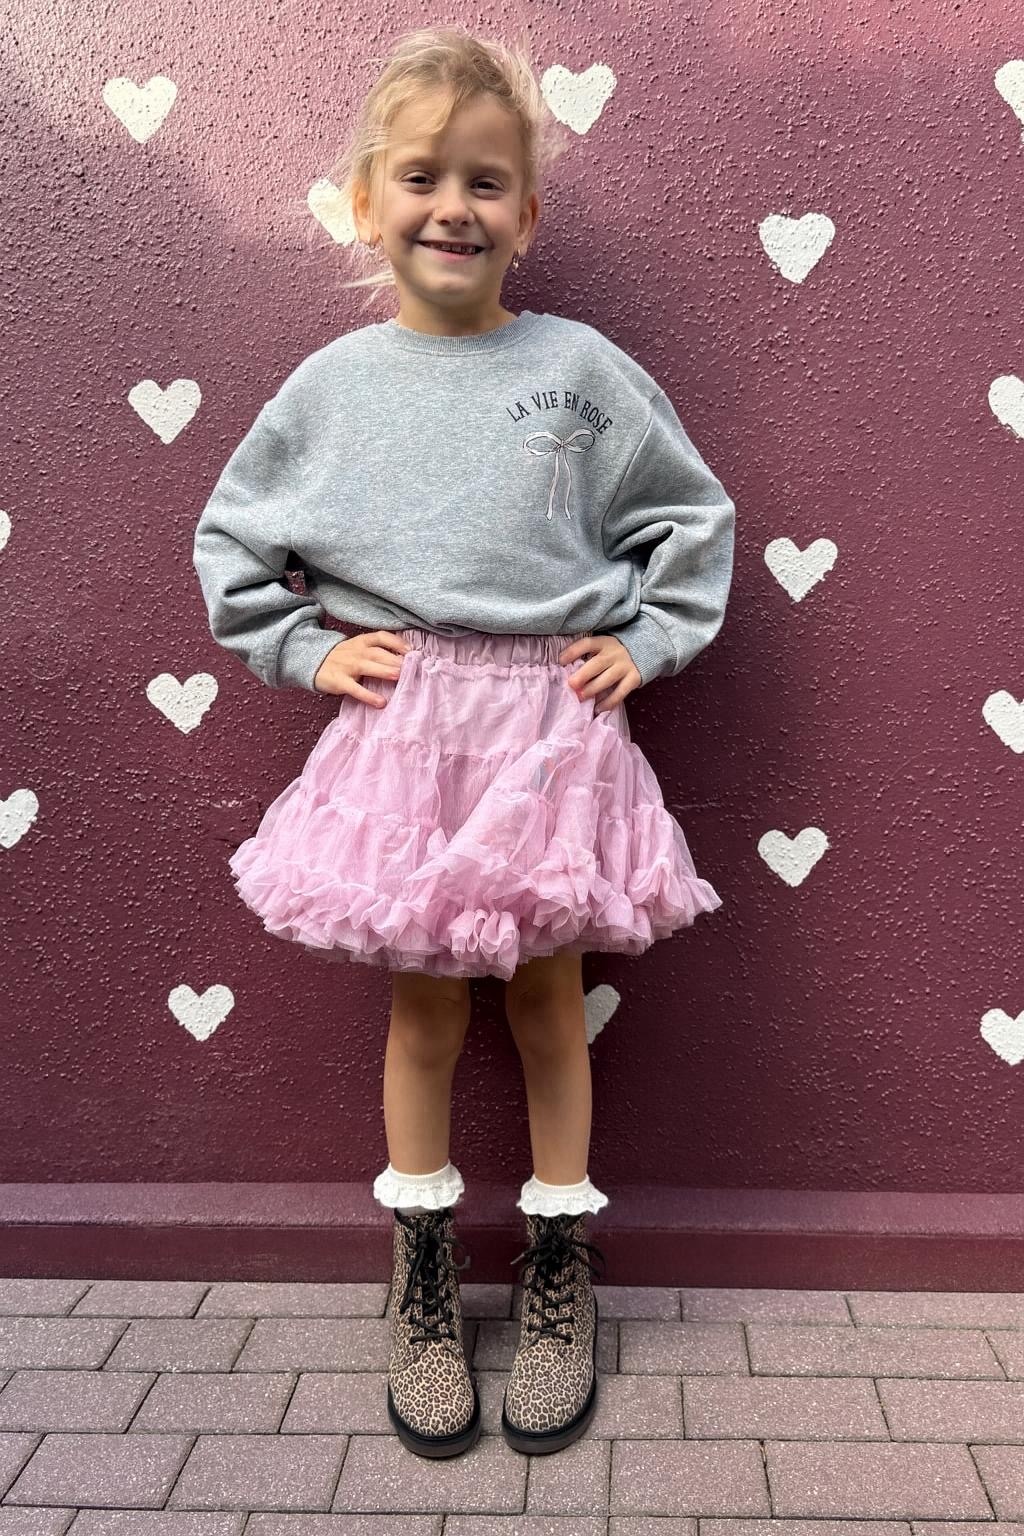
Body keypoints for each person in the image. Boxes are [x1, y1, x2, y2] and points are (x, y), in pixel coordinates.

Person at [192, 24, 735, 1463]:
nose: (454, 207)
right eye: (422, 176)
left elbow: (691, 518)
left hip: (548, 730)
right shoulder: (331, 389)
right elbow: (233, 542)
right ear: (364, 202)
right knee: (427, 1011)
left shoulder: (581, 370)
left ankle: (558, 1266)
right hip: (409, 732)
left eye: (487, 182)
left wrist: (649, 639)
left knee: (551, 1000)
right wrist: (308, 649)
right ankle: (423, 1271)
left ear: (527, 215)